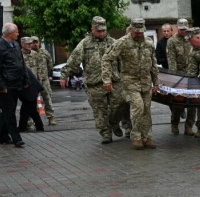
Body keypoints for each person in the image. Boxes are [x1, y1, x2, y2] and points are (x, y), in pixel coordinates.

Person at [61, 16, 126, 144]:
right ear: (92, 29)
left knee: (120, 103)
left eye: (104, 30)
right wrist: (64, 75)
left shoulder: (113, 42)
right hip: (94, 83)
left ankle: (113, 123)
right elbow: (74, 60)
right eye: (99, 31)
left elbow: (122, 61)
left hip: (114, 81)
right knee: (100, 111)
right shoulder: (85, 43)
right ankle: (106, 134)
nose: (102, 33)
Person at [102, 18, 159, 150]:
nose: (139, 34)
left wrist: (156, 82)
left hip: (145, 82)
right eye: (136, 32)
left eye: (141, 32)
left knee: (147, 110)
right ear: (131, 29)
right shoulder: (122, 42)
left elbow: (153, 64)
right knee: (138, 108)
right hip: (130, 82)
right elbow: (106, 59)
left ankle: (147, 137)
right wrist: (107, 80)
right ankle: (137, 137)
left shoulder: (149, 42)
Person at [0, 23, 29, 147]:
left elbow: (21, 64)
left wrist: (25, 80)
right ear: (10, 33)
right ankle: (16, 138)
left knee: (7, 111)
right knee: (10, 113)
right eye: (16, 31)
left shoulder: (16, 45)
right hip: (5, 86)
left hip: (16, 84)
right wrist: (1, 86)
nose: (18, 33)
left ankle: (2, 137)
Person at [166, 19, 191, 134]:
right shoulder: (172, 41)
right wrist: (174, 78)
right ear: (177, 28)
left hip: (191, 74)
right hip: (179, 74)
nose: (183, 31)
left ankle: (189, 126)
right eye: (181, 29)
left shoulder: (191, 38)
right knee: (178, 103)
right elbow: (172, 60)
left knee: (193, 103)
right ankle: (174, 122)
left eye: (185, 29)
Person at [30, 36, 56, 125]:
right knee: (32, 101)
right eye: (33, 42)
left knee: (47, 98)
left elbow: (50, 65)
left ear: (39, 43)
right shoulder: (28, 54)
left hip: (44, 80)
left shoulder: (44, 53)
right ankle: (34, 120)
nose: (35, 44)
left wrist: (46, 74)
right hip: (33, 81)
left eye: (36, 42)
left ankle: (51, 117)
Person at [18, 68, 45, 133]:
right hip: (32, 89)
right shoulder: (20, 65)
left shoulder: (18, 67)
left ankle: (22, 128)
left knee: (24, 112)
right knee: (33, 112)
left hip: (30, 90)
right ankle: (40, 127)